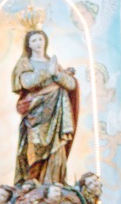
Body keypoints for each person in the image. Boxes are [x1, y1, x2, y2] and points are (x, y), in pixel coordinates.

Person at [12, 29, 78, 186]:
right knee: (33, 150)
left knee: (56, 149)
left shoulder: (54, 64)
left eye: (40, 39)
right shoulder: (24, 63)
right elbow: (26, 82)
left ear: (45, 41)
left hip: (55, 114)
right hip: (35, 115)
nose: (38, 43)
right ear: (28, 44)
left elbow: (71, 84)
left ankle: (54, 185)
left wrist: (57, 74)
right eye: (34, 40)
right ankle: (32, 185)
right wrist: (47, 72)